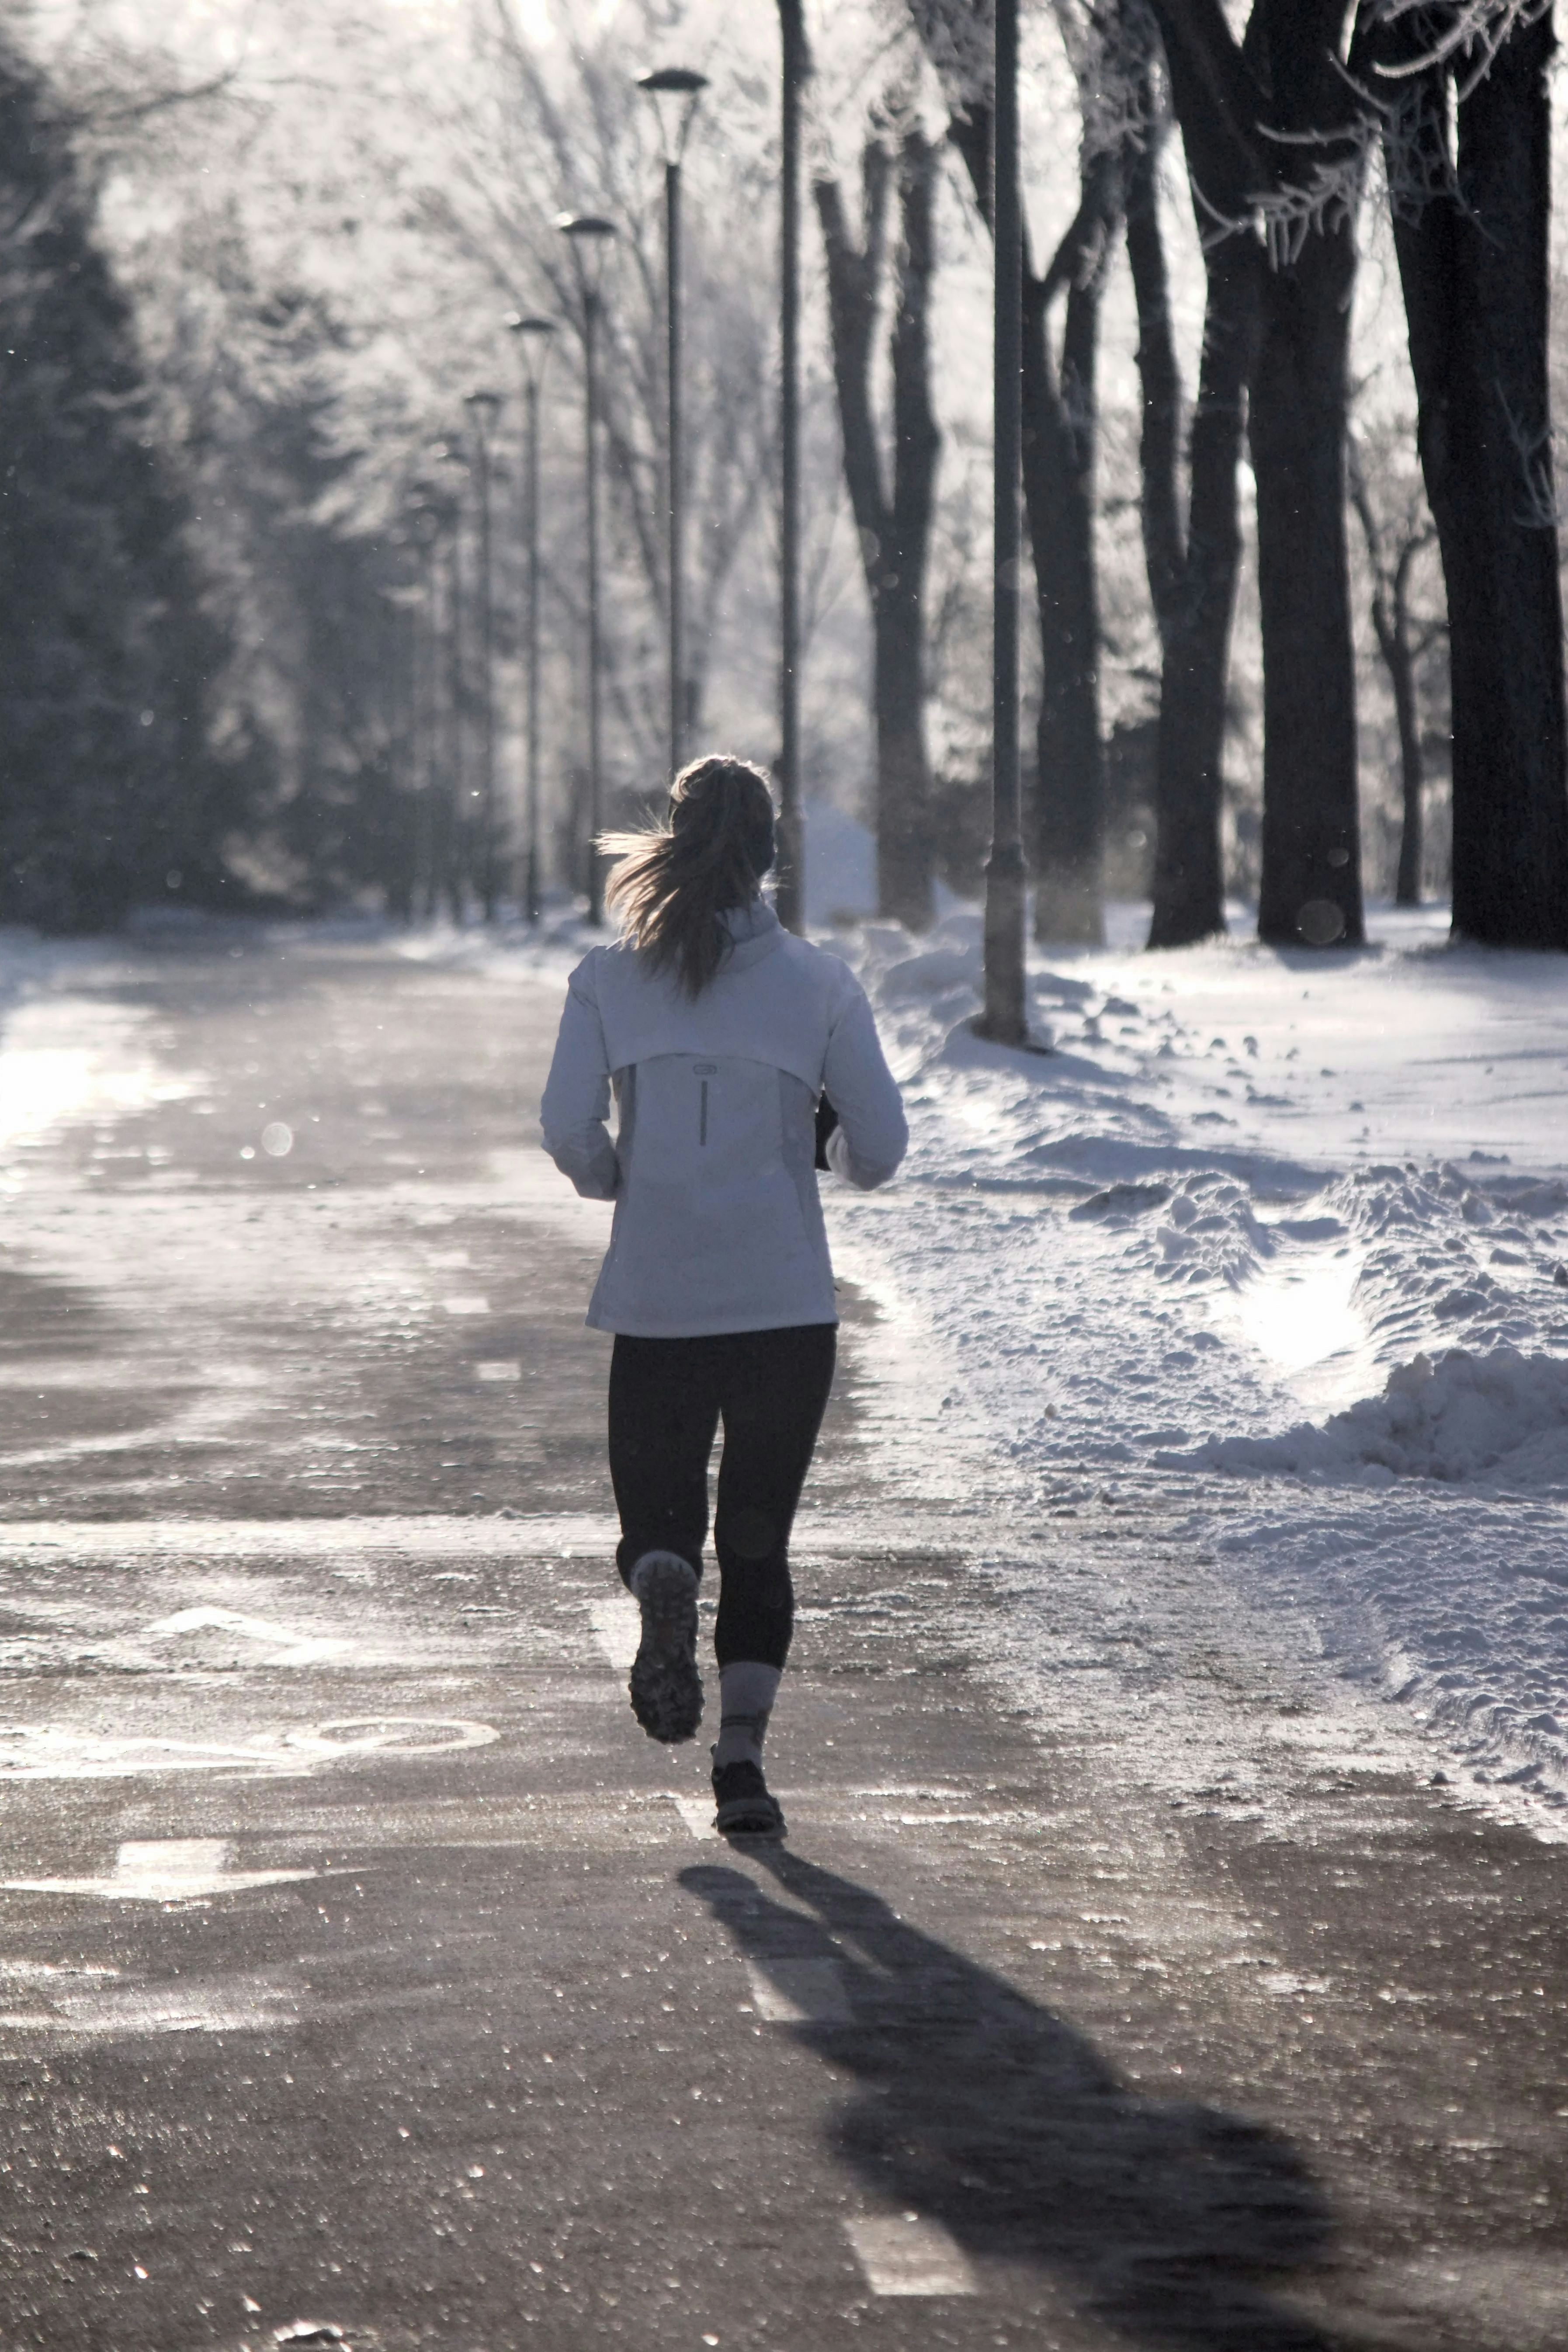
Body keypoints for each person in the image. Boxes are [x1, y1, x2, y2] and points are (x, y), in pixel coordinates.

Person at [540, 755, 908, 1835]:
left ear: (673, 841)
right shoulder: (818, 985)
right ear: (772, 859)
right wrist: (812, 1133)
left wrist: (620, 1177)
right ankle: (742, 1766)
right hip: (782, 1310)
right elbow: (881, 1151)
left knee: (662, 1514)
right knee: (758, 1540)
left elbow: (569, 1127)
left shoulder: (609, 980)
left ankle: (661, 1575)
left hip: (657, 1298)